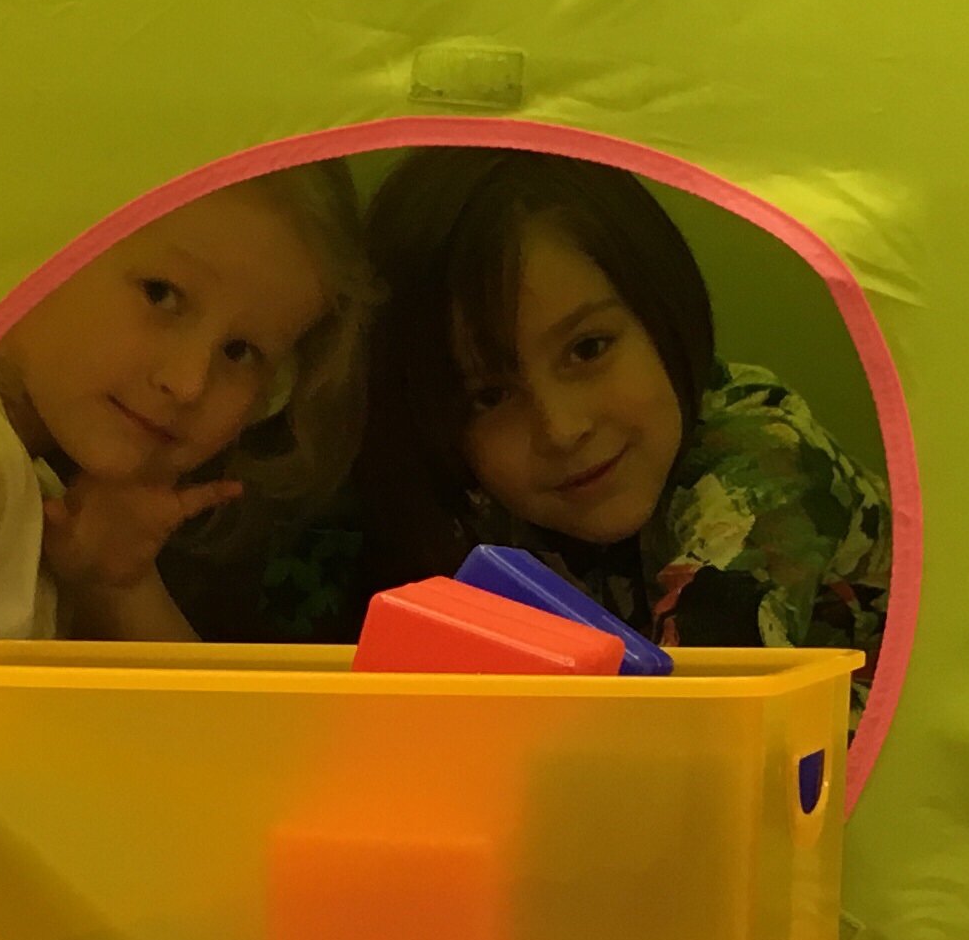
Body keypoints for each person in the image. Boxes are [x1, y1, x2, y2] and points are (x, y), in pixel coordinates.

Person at [347, 147, 887, 663]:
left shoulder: (763, 463)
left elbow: (694, 715)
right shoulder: (483, 515)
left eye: (588, 349)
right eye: (490, 396)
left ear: (662, 313)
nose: (561, 429)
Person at [0, 167, 368, 645]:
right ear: (43, 237)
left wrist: (116, 583)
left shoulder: (30, 479)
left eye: (240, 352)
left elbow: (199, 704)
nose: (188, 383)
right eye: (161, 294)